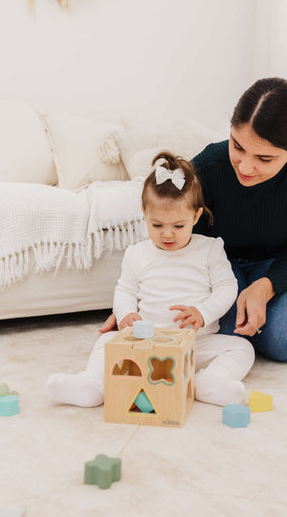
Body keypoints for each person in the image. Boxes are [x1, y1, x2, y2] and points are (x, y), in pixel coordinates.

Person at [99, 77, 287, 363]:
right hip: (217, 263)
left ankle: (265, 315)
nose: (246, 167)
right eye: (237, 146)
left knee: (285, 344)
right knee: (216, 331)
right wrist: (133, 308)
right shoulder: (209, 165)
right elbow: (173, 231)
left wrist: (265, 287)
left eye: (264, 158)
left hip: (278, 261)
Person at [46, 151, 255, 408]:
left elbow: (227, 287)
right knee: (106, 341)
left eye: (178, 226)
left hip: (195, 342)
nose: (167, 234)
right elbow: (124, 291)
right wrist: (125, 314)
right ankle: (93, 386)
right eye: (157, 225)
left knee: (242, 348)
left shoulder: (210, 249)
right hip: (144, 343)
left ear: (196, 216)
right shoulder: (137, 253)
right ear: (144, 213)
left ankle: (209, 381)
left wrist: (203, 312)